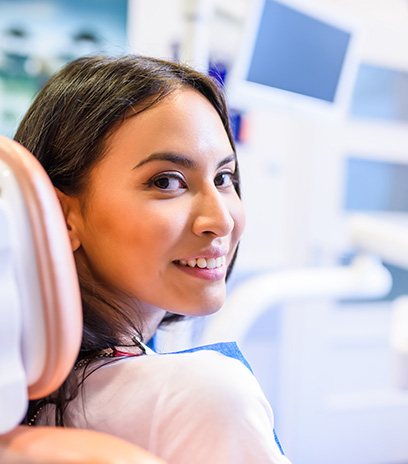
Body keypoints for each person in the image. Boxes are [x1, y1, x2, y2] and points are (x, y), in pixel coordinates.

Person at [16, 55, 291, 464]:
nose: (219, 220)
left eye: (223, 178)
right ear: (60, 214)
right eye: (167, 182)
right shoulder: (203, 397)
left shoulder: (31, 395)